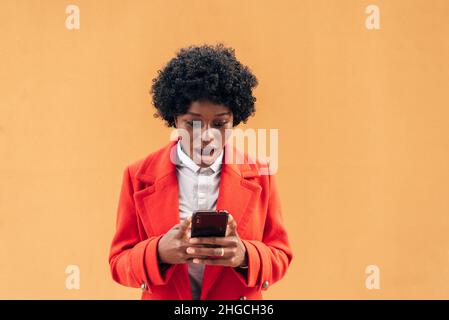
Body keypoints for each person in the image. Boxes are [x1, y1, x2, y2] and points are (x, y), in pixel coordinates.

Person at [108, 44, 293, 300]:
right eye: (193, 123)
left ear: (235, 119)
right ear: (174, 118)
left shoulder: (261, 174)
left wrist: (243, 256)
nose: (207, 136)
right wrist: (159, 252)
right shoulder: (137, 175)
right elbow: (118, 263)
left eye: (220, 123)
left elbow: (280, 256)